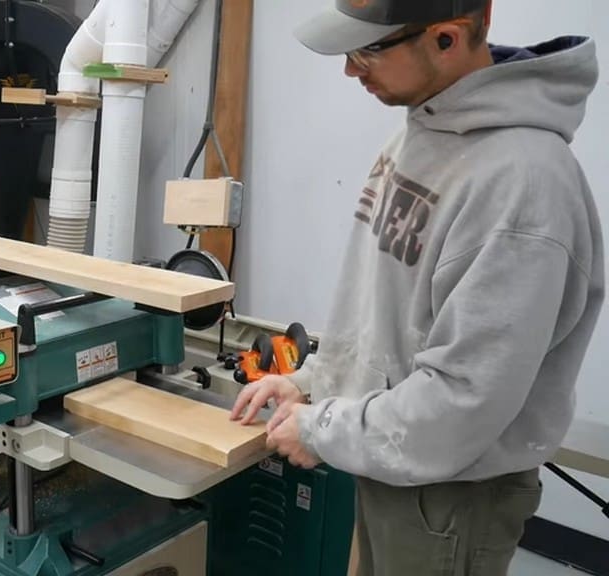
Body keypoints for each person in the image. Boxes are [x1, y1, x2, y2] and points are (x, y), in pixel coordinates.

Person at [230, 1, 604, 574]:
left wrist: (324, 430)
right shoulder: (421, 130)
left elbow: (461, 403)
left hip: (448, 498)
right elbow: (383, 317)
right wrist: (314, 384)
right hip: (390, 461)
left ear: (447, 39)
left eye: (367, 51)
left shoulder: (524, 187)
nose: (351, 71)